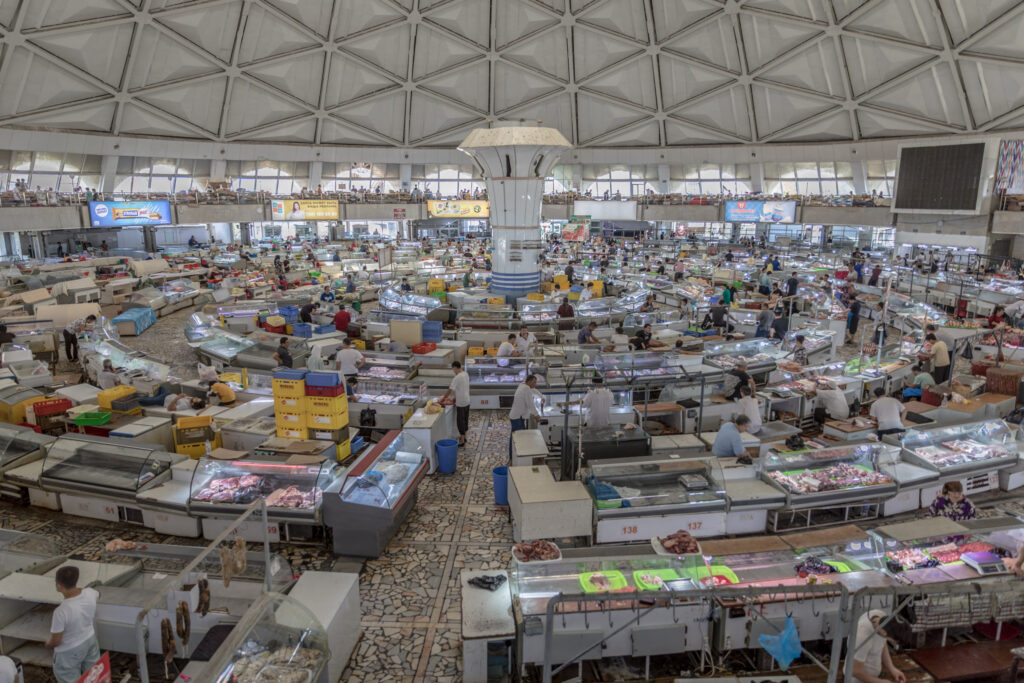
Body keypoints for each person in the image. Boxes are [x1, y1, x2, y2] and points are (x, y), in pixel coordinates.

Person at [47, 565, 100, 683]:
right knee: (93, 677)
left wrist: (47, 644)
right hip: (90, 640)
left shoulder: (60, 612)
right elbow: (98, 594)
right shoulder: (90, 592)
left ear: (59, 586)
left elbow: (56, 641)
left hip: (69, 652)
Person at [851, 610, 906, 683]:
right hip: (857, 680)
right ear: (884, 632)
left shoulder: (882, 618)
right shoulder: (862, 636)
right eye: (894, 641)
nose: (894, 644)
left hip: (874, 678)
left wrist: (892, 668)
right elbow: (855, 671)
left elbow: (882, 644)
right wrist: (880, 682)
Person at [509, 374, 542, 456]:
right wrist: (536, 415)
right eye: (534, 382)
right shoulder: (526, 389)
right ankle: (514, 456)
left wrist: (541, 396)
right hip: (517, 418)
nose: (535, 384)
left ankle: (514, 455)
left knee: (516, 436)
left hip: (517, 416)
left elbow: (533, 390)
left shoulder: (523, 385)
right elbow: (530, 403)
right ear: (530, 382)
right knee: (517, 438)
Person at [441, 361, 470, 447]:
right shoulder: (465, 374)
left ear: (455, 367)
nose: (453, 370)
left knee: (460, 421)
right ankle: (465, 437)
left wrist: (443, 398)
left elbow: (450, 389)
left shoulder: (457, 377)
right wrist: (454, 398)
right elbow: (463, 388)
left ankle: (461, 440)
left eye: (453, 368)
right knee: (465, 419)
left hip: (461, 403)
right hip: (467, 400)